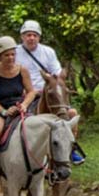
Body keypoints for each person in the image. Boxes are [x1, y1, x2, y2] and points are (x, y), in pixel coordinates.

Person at [15, 20, 83, 164]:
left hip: (48, 92)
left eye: (34, 35)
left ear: (39, 37)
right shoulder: (15, 53)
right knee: (16, 121)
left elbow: (57, 74)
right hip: (26, 95)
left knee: (71, 114)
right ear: (22, 36)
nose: (31, 38)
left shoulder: (48, 52)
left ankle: (71, 149)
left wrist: (57, 82)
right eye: (28, 35)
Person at [0, 36, 37, 186]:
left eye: (13, 54)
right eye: (6, 55)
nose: (10, 58)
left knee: (40, 131)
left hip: (19, 108)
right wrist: (4, 112)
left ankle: (46, 168)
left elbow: (31, 91)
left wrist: (24, 105)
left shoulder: (22, 70)